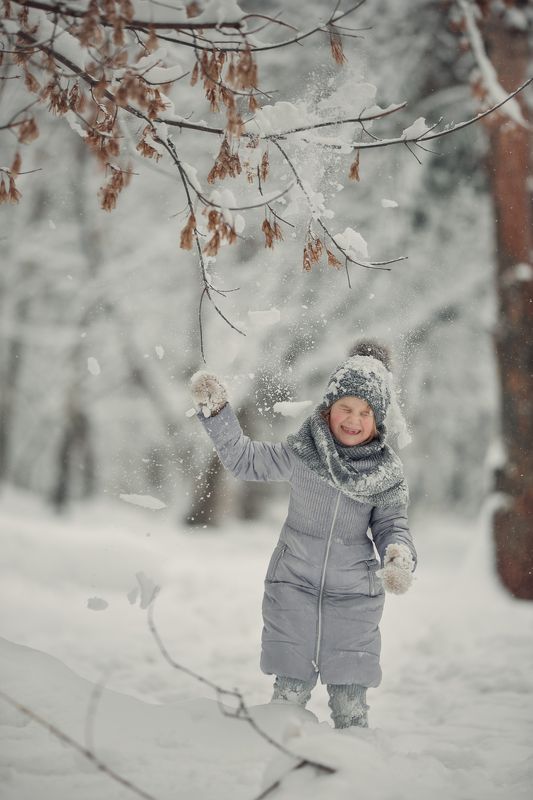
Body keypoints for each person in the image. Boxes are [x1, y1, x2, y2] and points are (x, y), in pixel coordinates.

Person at [190, 342, 416, 730]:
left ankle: (353, 769)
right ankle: (283, 760)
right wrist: (218, 413)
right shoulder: (302, 454)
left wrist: (398, 555)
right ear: (328, 410)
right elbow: (244, 459)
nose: (353, 420)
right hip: (293, 584)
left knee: (349, 698)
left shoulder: (385, 475)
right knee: (289, 690)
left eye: (365, 413)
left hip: (354, 597)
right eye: (346, 408)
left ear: (377, 422)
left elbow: (391, 525)